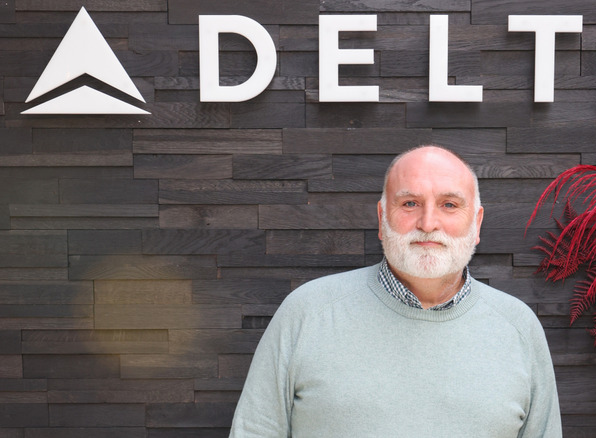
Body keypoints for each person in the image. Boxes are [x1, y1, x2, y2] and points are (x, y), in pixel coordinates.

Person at [229, 145, 562, 437]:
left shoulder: (519, 327)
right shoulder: (306, 313)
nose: (428, 222)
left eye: (448, 205)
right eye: (410, 203)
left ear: (477, 223)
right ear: (381, 217)